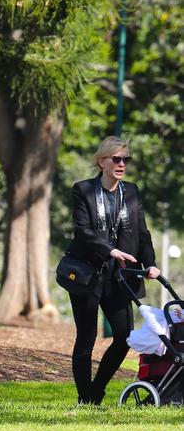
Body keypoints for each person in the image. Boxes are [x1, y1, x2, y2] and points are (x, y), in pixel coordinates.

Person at [64, 136, 159, 404]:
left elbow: (142, 233)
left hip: (119, 277)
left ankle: (97, 389)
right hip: (87, 273)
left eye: (125, 159)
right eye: (116, 159)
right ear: (102, 161)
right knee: (87, 337)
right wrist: (110, 251)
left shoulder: (131, 191)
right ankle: (86, 397)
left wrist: (149, 262)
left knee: (124, 336)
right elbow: (82, 231)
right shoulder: (82, 190)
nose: (121, 164)